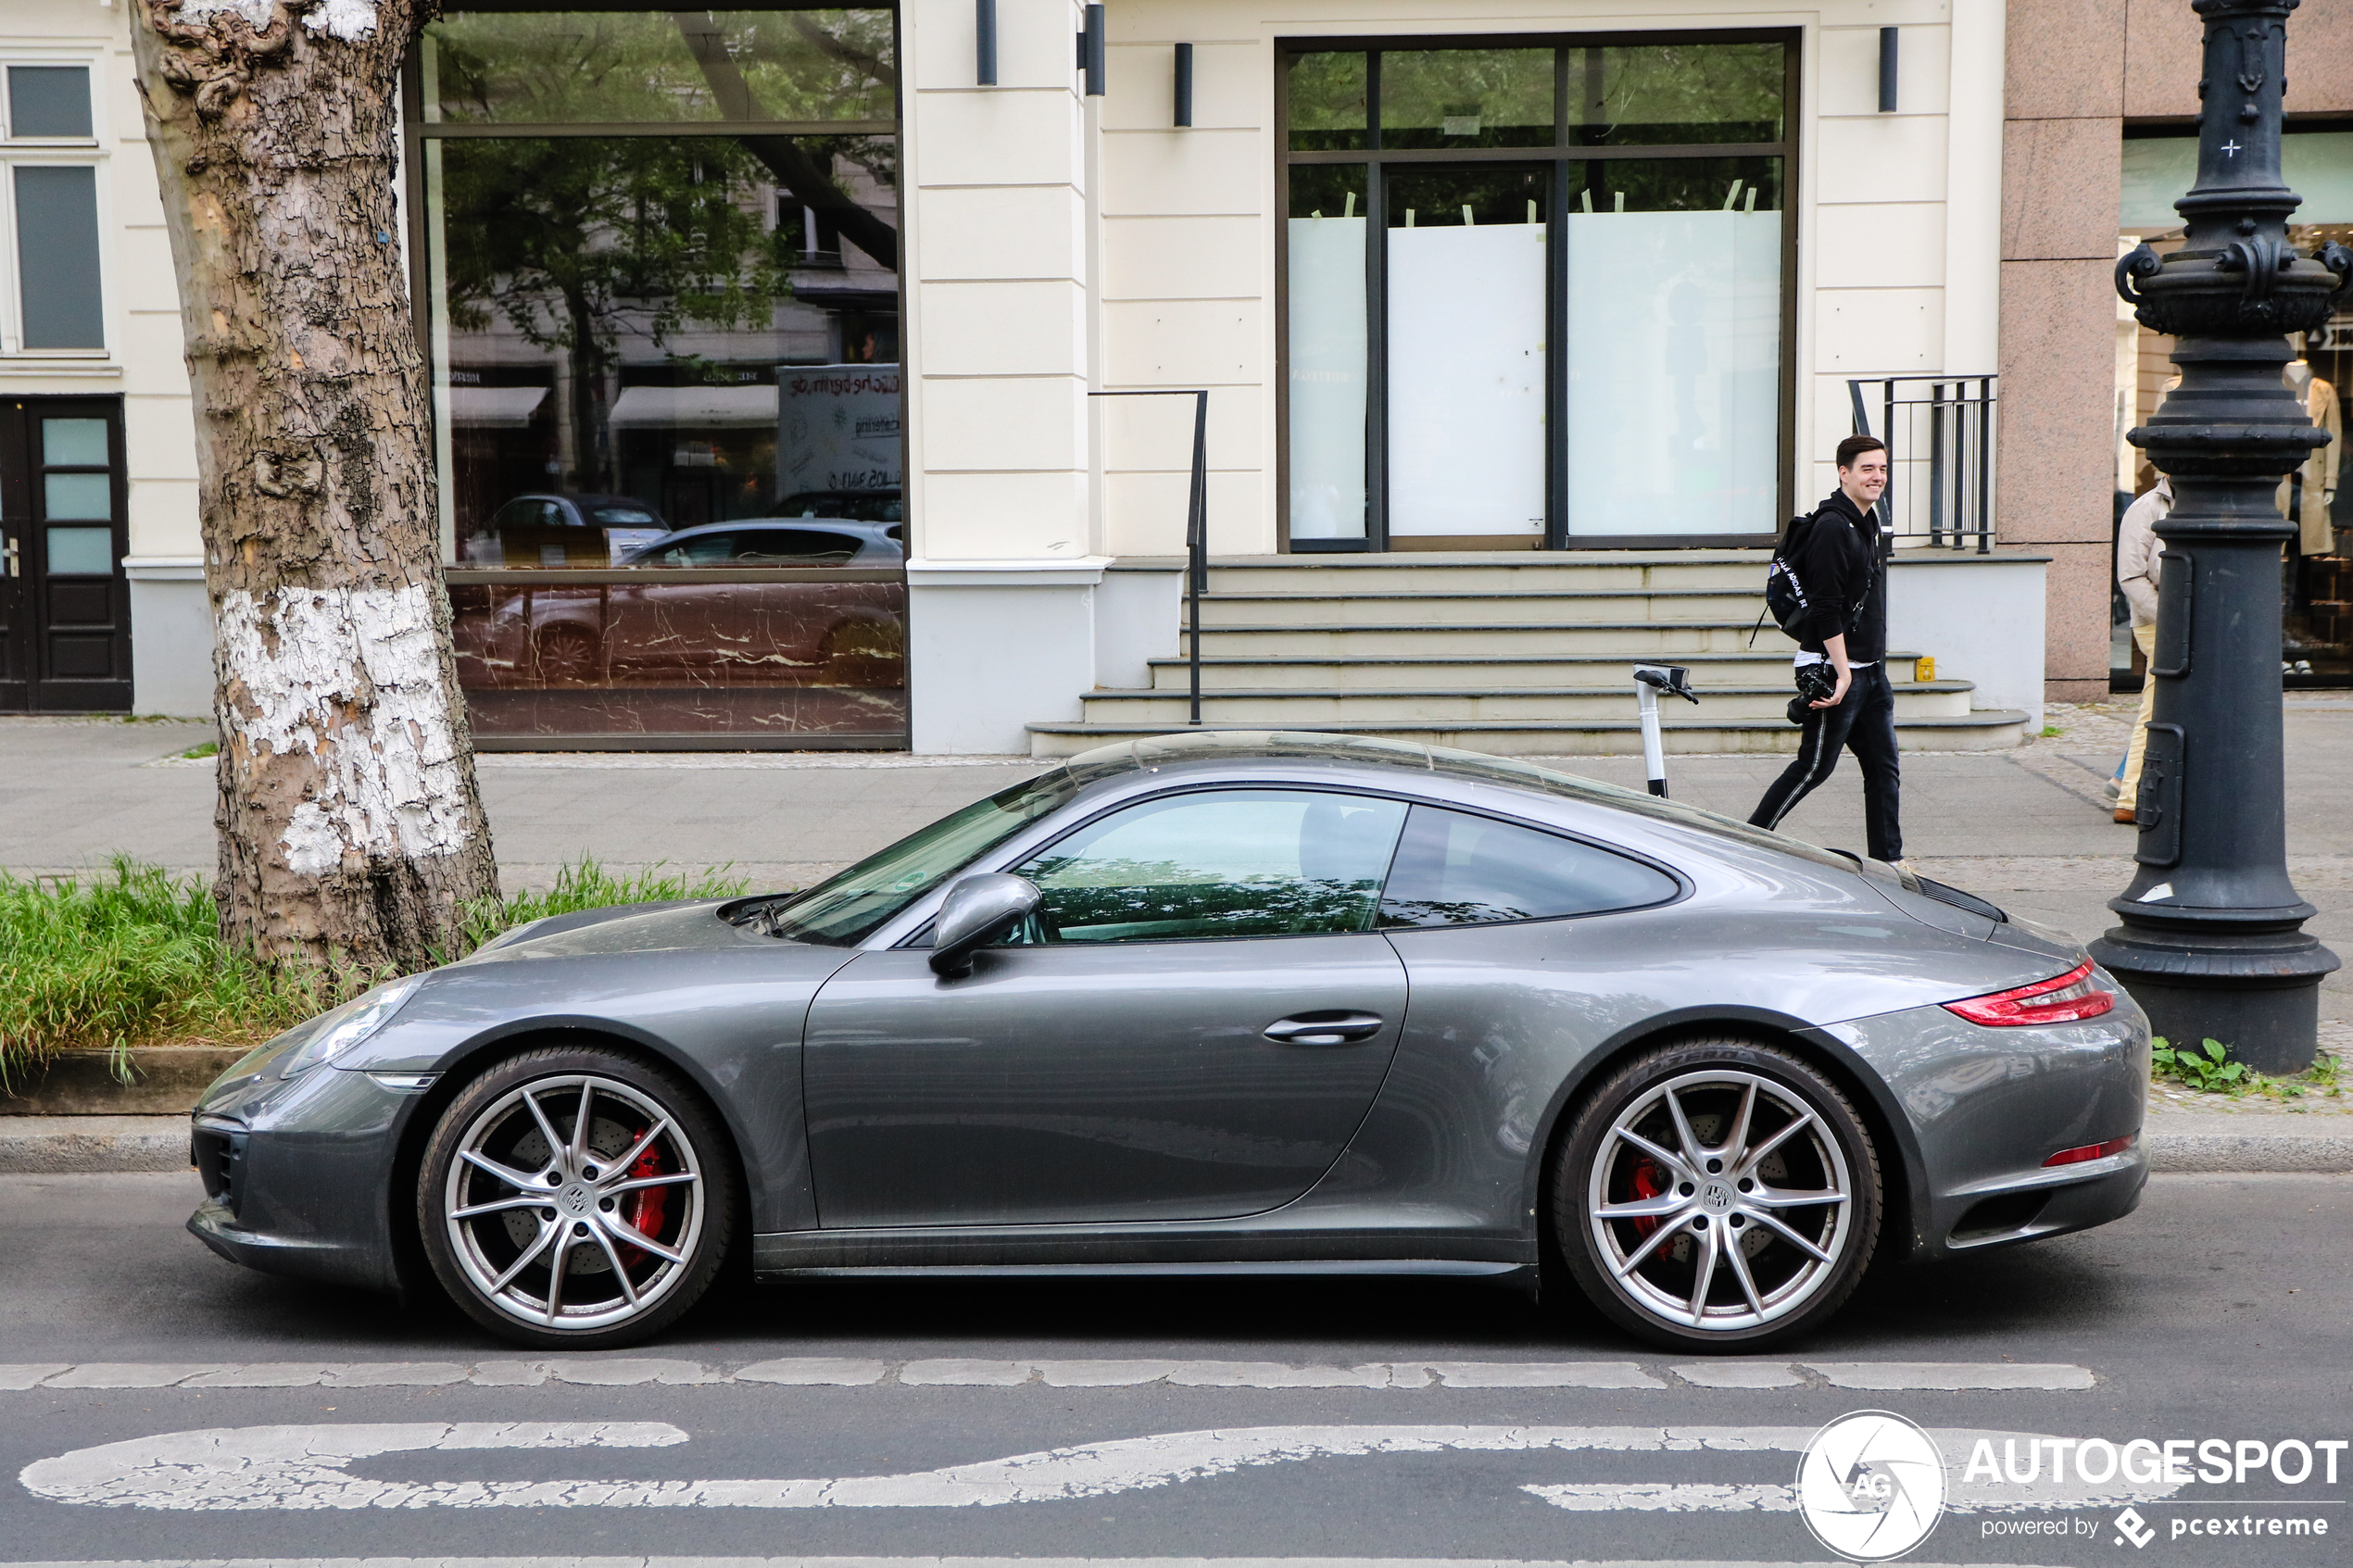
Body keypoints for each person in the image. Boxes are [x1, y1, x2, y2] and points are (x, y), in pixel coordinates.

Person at [1749, 435, 1906, 868]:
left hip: (1868, 671)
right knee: (1813, 767)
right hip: (1834, 669)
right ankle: (1747, 841)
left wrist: (1863, 669)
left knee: (1883, 769)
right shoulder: (1833, 527)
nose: (1878, 477)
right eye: (1867, 469)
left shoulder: (1865, 520)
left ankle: (1888, 864)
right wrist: (1843, 672)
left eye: (1883, 469)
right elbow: (1824, 607)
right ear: (1844, 472)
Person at [2113, 469, 2171, 824]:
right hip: (2156, 622)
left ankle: (2125, 782)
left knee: (2159, 702)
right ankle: (2129, 795)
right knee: (2155, 704)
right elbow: (2131, 576)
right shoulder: (2146, 508)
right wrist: (2169, 616)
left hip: (2192, 621)